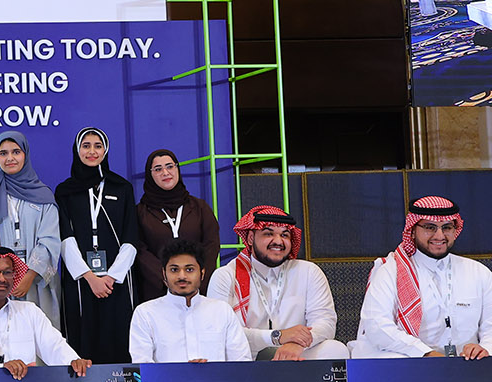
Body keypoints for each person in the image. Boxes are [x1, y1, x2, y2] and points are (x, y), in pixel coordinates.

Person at [352, 195, 492, 359]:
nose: (439, 236)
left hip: (467, 363)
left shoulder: (478, 272)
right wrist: (425, 353)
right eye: (430, 227)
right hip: (411, 359)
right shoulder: (390, 272)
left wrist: (484, 349)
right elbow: (377, 325)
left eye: (447, 228)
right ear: (413, 230)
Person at [207, 206, 348, 361]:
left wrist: (298, 343)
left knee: (336, 350)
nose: (278, 241)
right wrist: (278, 337)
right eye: (268, 233)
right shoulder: (226, 276)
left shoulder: (308, 272)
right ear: (250, 238)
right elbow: (223, 332)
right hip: (246, 358)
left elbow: (325, 322)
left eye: (285, 235)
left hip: (295, 354)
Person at [55, 127, 141, 364]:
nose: (92, 151)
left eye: (97, 146)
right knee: (82, 336)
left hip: (117, 279)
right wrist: (90, 277)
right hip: (81, 280)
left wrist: (112, 276)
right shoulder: (65, 191)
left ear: (105, 150)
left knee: (119, 334)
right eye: (86, 146)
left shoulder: (121, 187)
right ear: (77, 150)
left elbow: (130, 237)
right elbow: (64, 237)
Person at [0, 129, 62, 326]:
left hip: (36, 283)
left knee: (39, 334)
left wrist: (29, 276)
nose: (10, 158)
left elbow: (50, 240)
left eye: (16, 152)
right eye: (3, 153)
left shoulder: (43, 196)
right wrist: (3, 275)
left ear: (25, 155)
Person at [0, 245, 88, 377]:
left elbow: (54, 345)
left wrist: (73, 361)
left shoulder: (29, 311)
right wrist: (0, 369)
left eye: (7, 272)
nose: (2, 278)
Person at [127, 239, 252, 363]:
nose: (182, 276)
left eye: (189, 269)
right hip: (166, 378)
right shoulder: (146, 313)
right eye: (174, 270)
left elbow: (241, 362)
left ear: (202, 273)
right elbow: (142, 366)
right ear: (164, 274)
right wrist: (185, 373)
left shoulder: (222, 311)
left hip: (216, 377)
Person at [135, 149, 220, 301]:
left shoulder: (199, 207)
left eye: (170, 166)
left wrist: (196, 278)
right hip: (157, 292)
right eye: (158, 169)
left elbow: (211, 244)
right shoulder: (140, 212)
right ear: (150, 174)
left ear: (177, 169)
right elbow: (140, 250)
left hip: (197, 291)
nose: (165, 173)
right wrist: (167, 278)